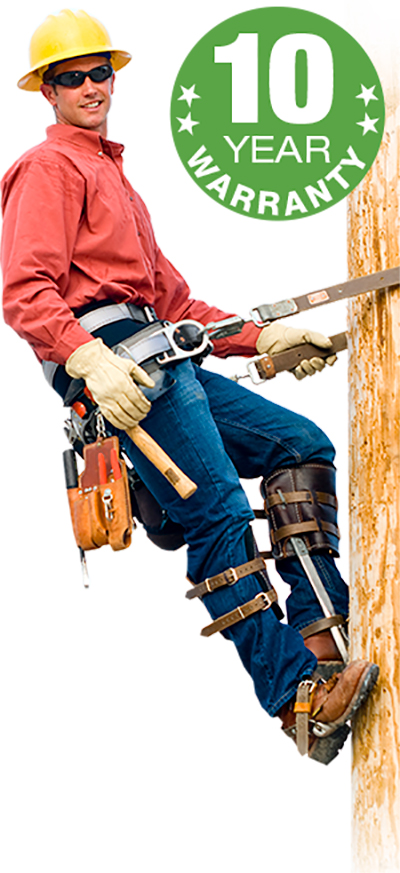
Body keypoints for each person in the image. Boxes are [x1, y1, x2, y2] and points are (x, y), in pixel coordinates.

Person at [1, 9, 378, 765]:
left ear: (114, 74)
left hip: (161, 352)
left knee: (299, 445)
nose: (88, 85)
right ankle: (297, 698)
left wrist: (261, 335)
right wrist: (85, 361)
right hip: (120, 365)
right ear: (47, 91)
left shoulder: (113, 176)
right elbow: (22, 286)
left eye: (98, 70)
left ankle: (321, 631)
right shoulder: (50, 169)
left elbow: (174, 304)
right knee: (214, 509)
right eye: (69, 77)